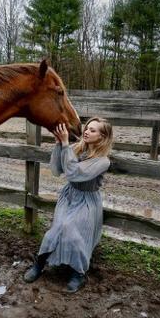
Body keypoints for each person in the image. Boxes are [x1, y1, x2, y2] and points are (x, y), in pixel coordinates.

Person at [23, 117, 113, 293]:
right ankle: (39, 265)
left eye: (93, 130)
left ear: (102, 137)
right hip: (69, 196)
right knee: (54, 231)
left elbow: (74, 174)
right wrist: (59, 145)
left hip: (87, 201)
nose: (86, 131)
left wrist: (65, 145)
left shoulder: (103, 161)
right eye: (87, 128)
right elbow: (57, 170)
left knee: (73, 233)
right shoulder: (75, 149)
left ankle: (78, 273)